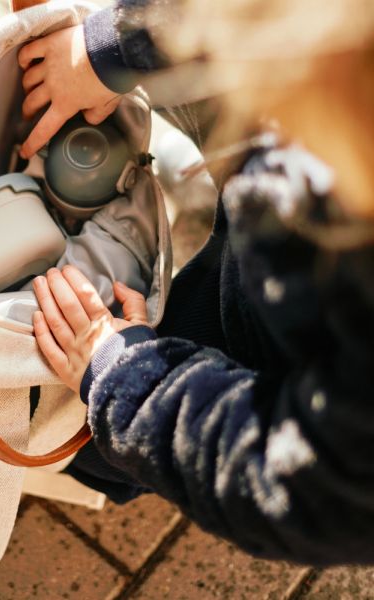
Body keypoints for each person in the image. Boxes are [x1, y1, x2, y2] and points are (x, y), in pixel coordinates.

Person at [20, 0, 374, 566]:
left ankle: (77, 465)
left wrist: (127, 380)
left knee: (95, 427)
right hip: (286, 250)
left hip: (269, 348)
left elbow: (302, 485)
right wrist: (112, 49)